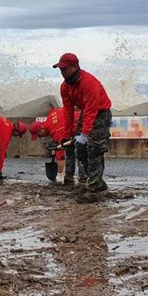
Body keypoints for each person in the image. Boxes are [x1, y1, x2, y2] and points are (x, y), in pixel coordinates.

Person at [54, 53, 112, 203]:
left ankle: (93, 188)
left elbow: (92, 110)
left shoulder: (89, 82)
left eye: (65, 69)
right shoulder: (65, 86)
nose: (62, 72)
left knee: (94, 149)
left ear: (75, 67)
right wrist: (67, 134)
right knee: (80, 149)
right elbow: (68, 110)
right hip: (86, 113)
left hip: (100, 113)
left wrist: (85, 134)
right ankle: (97, 182)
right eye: (60, 69)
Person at [29, 107, 87, 185]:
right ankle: (69, 177)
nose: (40, 137)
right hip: (74, 126)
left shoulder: (56, 130)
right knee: (69, 152)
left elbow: (61, 155)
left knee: (81, 153)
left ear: (41, 129)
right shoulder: (51, 115)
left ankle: (83, 180)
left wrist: (59, 175)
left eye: (39, 135)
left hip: (83, 126)